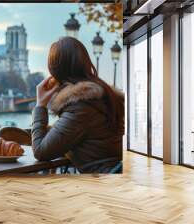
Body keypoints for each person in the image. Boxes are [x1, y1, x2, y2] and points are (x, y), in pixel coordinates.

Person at [31, 37, 124, 173]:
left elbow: (40, 151)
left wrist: (40, 105)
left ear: (55, 72)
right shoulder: (105, 96)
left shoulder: (80, 106)